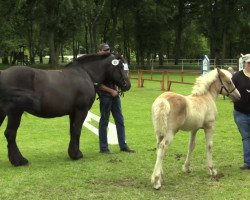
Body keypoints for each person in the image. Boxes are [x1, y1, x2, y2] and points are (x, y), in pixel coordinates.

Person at [97, 43, 135, 154]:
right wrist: (111, 91)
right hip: (105, 96)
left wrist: (124, 60)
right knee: (104, 121)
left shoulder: (112, 62)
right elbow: (97, 84)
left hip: (115, 95)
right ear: (99, 51)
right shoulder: (98, 65)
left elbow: (122, 71)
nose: (107, 52)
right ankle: (103, 148)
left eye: (108, 50)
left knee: (120, 120)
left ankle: (123, 145)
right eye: (104, 50)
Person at [232, 54, 250, 170]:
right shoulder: (237, 76)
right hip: (241, 113)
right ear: (244, 63)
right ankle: (248, 163)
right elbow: (230, 90)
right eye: (249, 63)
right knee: (246, 137)